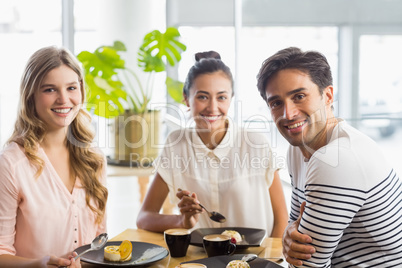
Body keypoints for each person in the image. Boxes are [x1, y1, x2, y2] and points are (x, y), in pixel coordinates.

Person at [256, 46, 402, 267]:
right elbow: (296, 236)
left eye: (299, 96)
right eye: (276, 103)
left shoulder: (337, 159)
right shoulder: (298, 149)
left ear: (328, 96)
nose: (288, 113)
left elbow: (306, 264)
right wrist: (289, 235)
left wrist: (292, 240)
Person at [136, 51, 289, 237]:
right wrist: (182, 221)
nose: (212, 107)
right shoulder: (176, 145)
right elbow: (144, 218)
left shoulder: (255, 143)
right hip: (198, 261)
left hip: (253, 260)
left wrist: (270, 260)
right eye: (202, 97)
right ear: (186, 99)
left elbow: (282, 219)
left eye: (221, 97)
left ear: (231, 99)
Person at [0, 46, 108, 267]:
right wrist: (38, 264)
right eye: (50, 90)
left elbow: (100, 242)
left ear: (81, 92)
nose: (63, 99)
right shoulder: (11, 164)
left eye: (71, 88)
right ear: (30, 96)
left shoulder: (94, 159)